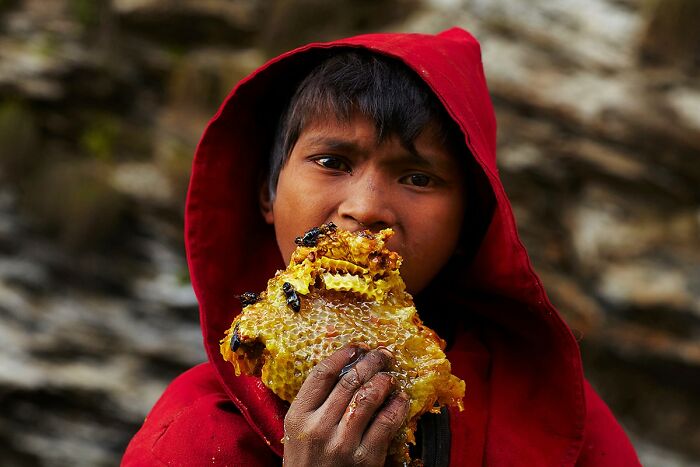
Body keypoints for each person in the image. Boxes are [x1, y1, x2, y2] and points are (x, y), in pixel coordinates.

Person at [122, 28, 641, 466]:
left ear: (471, 224)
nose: (367, 208)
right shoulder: (195, 432)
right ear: (267, 191)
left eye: (418, 177)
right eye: (332, 162)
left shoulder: (549, 411)